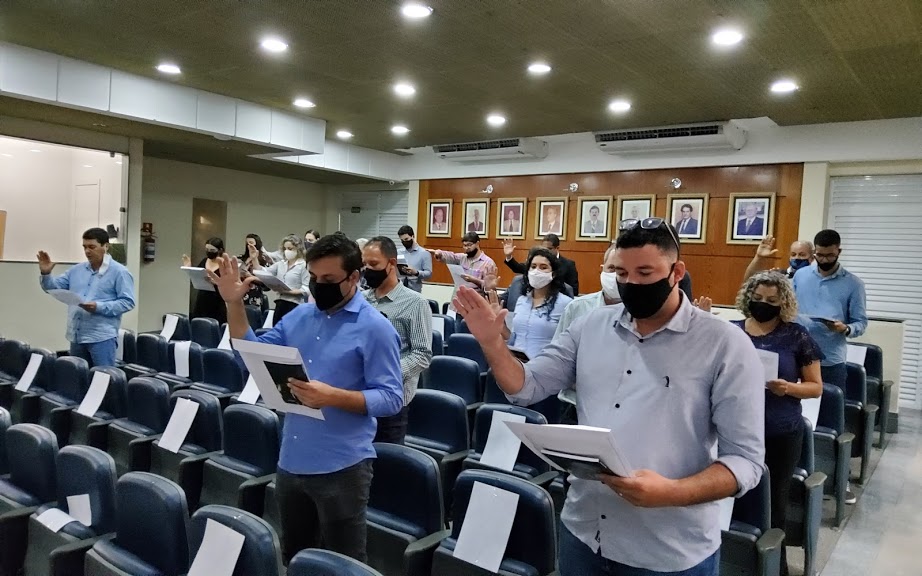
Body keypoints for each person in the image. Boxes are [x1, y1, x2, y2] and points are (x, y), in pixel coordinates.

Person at [452, 217, 765, 576]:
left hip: (668, 548)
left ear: (676, 272)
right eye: (621, 272)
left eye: (645, 273)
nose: (631, 283)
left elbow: (745, 461)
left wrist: (672, 492)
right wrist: (491, 343)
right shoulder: (591, 325)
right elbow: (526, 386)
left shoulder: (724, 344)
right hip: (583, 532)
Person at [211, 233, 403, 564]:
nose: (318, 285)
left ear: (353, 277)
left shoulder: (376, 328)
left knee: (343, 562)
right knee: (296, 556)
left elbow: (391, 398)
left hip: (343, 465)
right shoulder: (299, 317)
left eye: (328, 279)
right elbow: (250, 355)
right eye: (314, 277)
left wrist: (333, 397)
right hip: (292, 459)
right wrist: (233, 304)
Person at [730, 271, 823, 576]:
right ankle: (737, 561)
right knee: (735, 498)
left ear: (783, 303)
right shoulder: (733, 331)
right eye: (757, 298)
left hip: (780, 430)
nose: (763, 304)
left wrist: (788, 388)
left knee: (774, 502)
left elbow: (815, 387)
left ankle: (775, 567)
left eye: (771, 300)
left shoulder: (796, 335)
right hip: (736, 428)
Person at [362, 236, 433, 444]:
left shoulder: (415, 303)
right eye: (364, 264)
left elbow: (422, 355)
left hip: (391, 401)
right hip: (359, 397)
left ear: (391, 264)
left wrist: (386, 373)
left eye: (373, 264)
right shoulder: (361, 299)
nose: (367, 269)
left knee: (386, 459)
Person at [38, 227, 136, 368]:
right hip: (77, 335)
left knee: (102, 377)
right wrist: (46, 274)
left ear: (106, 246)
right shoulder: (77, 270)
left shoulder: (119, 272)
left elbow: (128, 302)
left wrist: (98, 307)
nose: (87, 251)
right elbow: (53, 288)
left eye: (92, 247)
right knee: (79, 376)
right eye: (84, 247)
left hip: (101, 337)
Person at [494, 247, 572, 422]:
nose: (537, 271)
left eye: (544, 267)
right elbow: (513, 338)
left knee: (539, 427)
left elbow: (567, 345)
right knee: (514, 424)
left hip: (545, 378)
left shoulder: (566, 304)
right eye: (533, 266)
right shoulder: (521, 300)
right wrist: (500, 327)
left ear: (553, 273)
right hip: (517, 371)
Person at [254, 235, 309, 326]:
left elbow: (306, 289)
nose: (287, 251)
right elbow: (263, 271)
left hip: (294, 305)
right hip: (280, 303)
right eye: (285, 249)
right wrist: (254, 258)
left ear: (298, 249)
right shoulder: (281, 264)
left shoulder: (303, 265)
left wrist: (288, 291)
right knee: (277, 329)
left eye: (290, 249)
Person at [503, 234, 579, 295]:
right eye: (543, 248)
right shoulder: (537, 261)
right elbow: (518, 268)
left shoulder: (568, 265)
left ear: (557, 248)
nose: (546, 251)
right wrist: (509, 256)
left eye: (549, 248)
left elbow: (574, 290)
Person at [429, 232, 497, 297]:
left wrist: (474, 280)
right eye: (465, 245)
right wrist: (439, 253)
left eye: (469, 245)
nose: (467, 248)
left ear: (477, 243)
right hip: (458, 298)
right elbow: (451, 256)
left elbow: (490, 287)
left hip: (476, 300)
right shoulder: (462, 258)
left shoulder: (488, 263)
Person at [182, 237, 227, 324]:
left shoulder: (225, 264)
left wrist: (216, 282)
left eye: (212, 250)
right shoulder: (204, 261)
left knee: (215, 324)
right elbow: (196, 276)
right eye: (207, 249)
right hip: (202, 298)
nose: (209, 252)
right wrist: (189, 268)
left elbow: (228, 283)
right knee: (199, 323)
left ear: (220, 250)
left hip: (218, 299)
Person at [743, 236, 815, 280]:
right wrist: (759, 257)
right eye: (793, 255)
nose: (797, 258)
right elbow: (750, 280)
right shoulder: (779, 275)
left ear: (812, 258)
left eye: (802, 255)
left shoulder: (817, 277)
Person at [239, 234, 272, 311]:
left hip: (255, 295)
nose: (249, 245)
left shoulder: (264, 260)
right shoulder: (241, 259)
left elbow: (266, 284)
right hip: (241, 292)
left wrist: (250, 276)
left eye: (251, 243)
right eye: (247, 243)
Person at [397, 225, 433, 293]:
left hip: (415, 291)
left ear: (413, 236)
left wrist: (416, 272)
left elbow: (429, 274)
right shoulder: (398, 252)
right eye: (402, 240)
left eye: (406, 239)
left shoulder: (424, 253)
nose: (404, 242)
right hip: (399, 290)